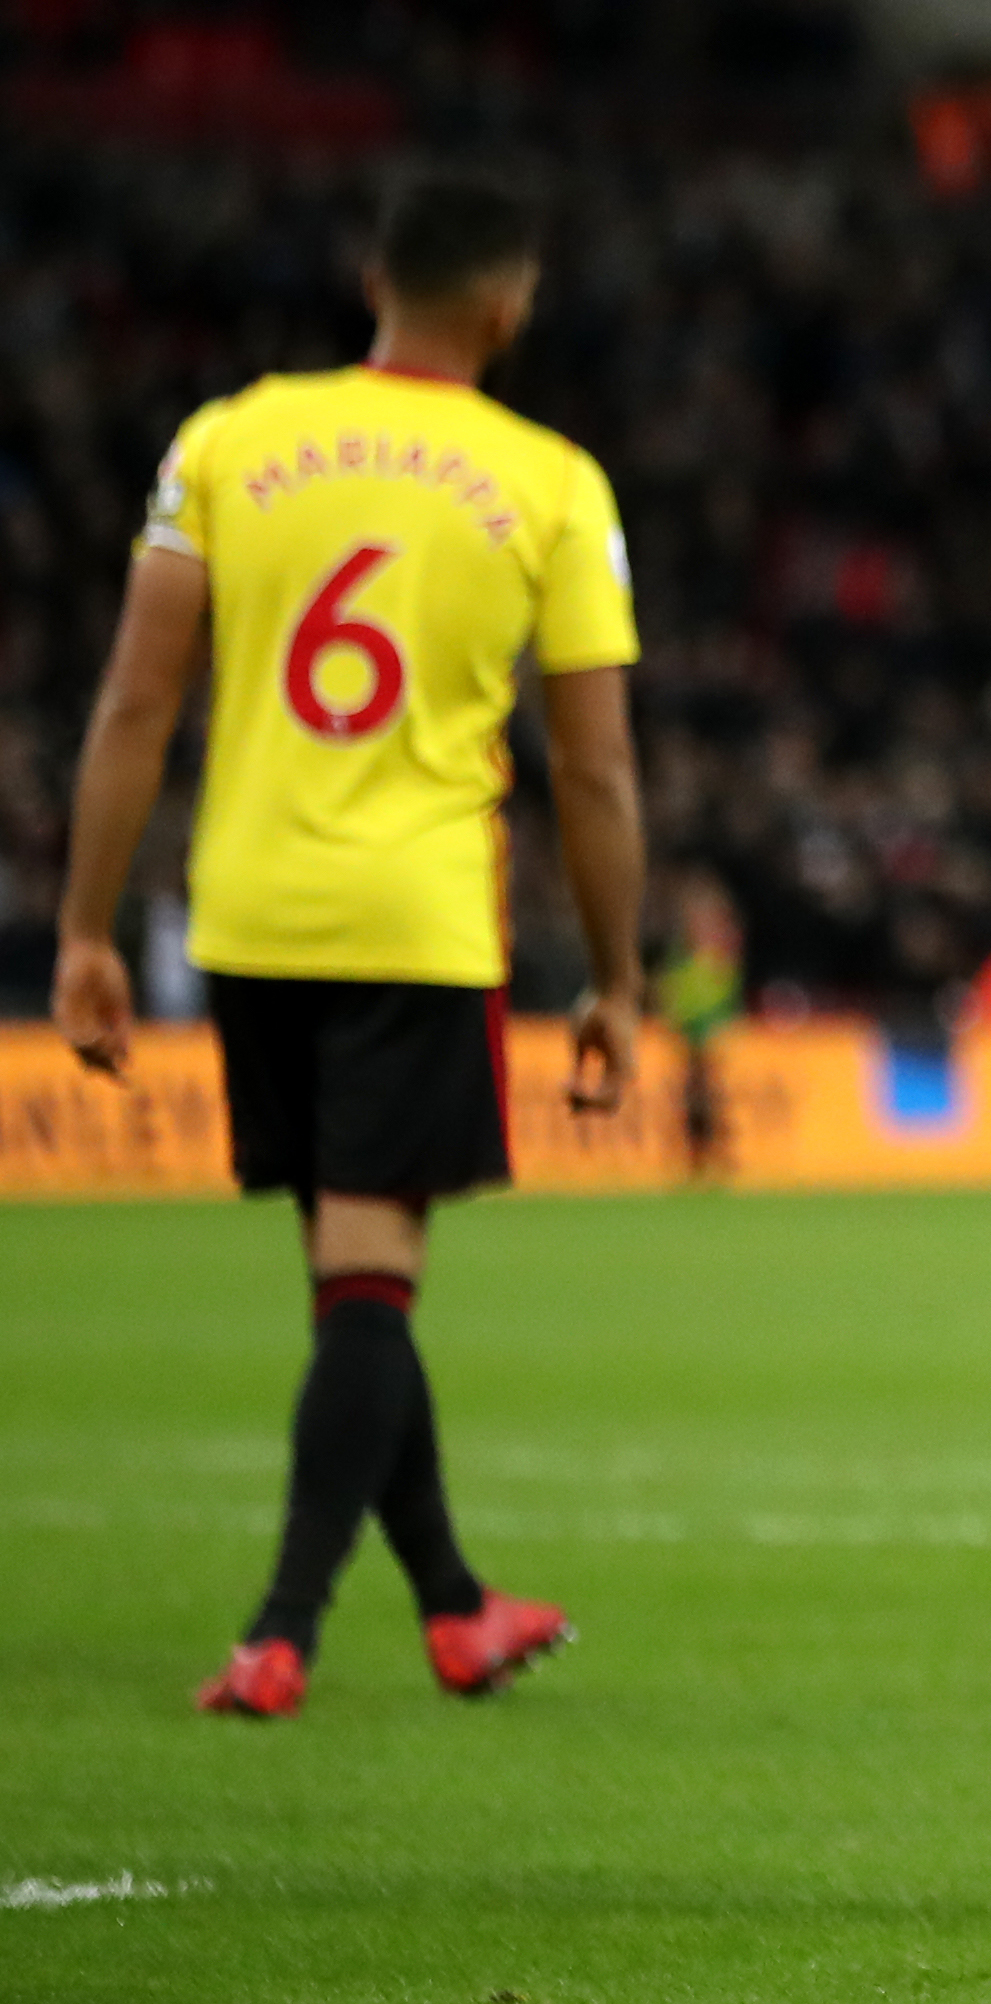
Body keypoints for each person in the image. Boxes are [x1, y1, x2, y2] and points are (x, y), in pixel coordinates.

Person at [49, 164, 650, 1718]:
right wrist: (621, 976)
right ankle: (283, 1628)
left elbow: (132, 700)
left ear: (368, 279)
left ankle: (457, 1606)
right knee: (373, 1280)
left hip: (246, 911)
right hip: (413, 921)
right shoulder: (552, 480)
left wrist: (86, 927)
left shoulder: (227, 439)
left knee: (349, 1278)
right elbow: (593, 766)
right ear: (510, 307)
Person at [653, 870, 742, 1180]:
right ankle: (700, 1157)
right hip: (692, 1031)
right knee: (695, 1097)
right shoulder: (686, 953)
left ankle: (714, 1155)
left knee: (707, 1096)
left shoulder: (719, 953)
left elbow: (718, 991)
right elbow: (672, 991)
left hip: (709, 1030)